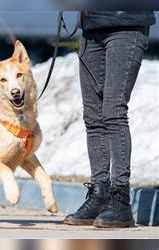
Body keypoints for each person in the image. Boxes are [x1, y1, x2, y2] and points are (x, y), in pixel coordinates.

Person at [63, 11, 156, 228]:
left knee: (113, 112)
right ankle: (100, 194)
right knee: (92, 117)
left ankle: (120, 198)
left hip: (127, 24)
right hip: (91, 28)